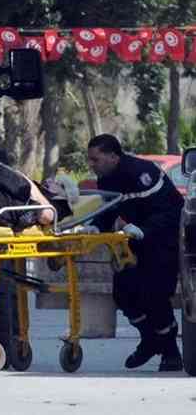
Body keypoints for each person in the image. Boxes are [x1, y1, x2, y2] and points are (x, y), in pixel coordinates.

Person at [87, 133, 184, 372]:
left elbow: (170, 211)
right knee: (123, 291)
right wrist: (96, 225)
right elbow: (109, 209)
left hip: (165, 240)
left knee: (155, 295)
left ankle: (170, 353)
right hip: (136, 239)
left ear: (113, 156)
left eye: (95, 159)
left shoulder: (142, 173)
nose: (91, 165)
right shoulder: (106, 179)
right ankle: (150, 339)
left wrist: (145, 229)